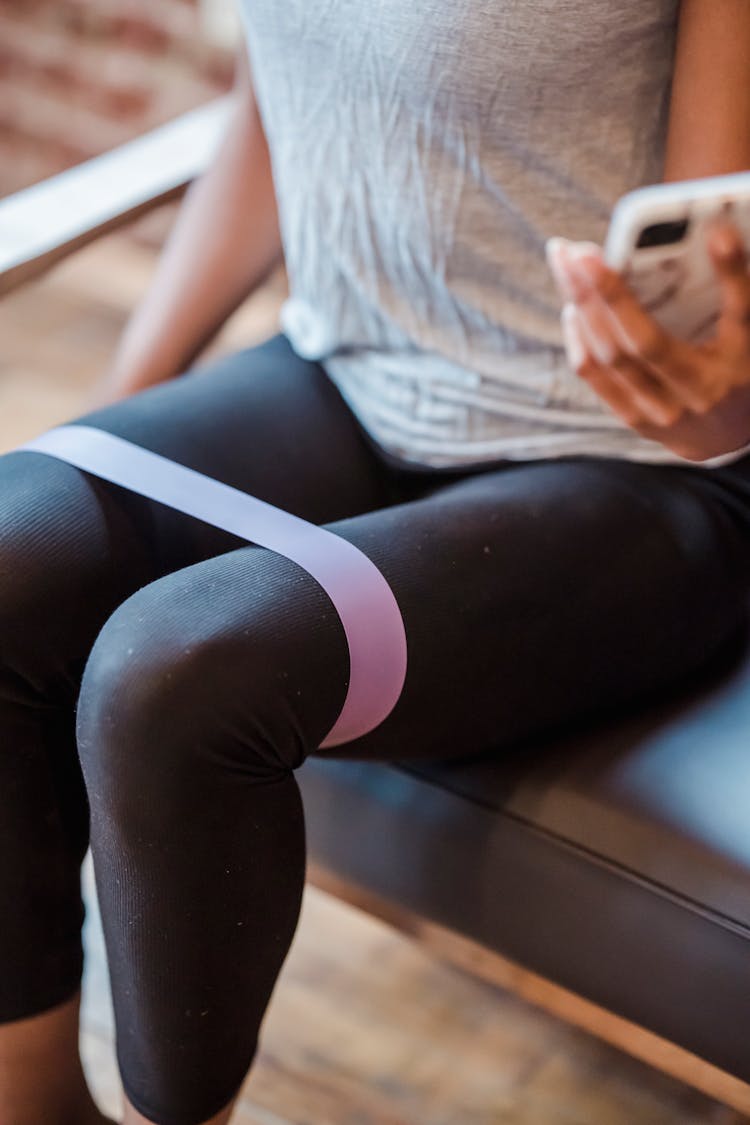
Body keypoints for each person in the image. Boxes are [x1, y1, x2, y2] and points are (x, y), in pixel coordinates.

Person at [1, 2, 749, 1124]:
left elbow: (712, 390)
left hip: (630, 461)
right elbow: (278, 108)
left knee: (172, 676)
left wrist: (703, 384)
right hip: (351, 374)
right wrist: (122, 417)